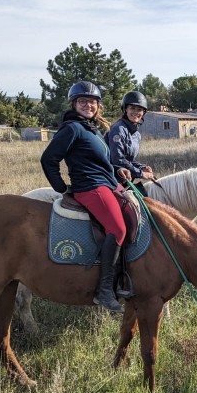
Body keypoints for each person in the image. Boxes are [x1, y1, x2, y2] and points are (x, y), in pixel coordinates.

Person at [40, 81, 130, 313]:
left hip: (108, 184)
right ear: (74, 104)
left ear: (98, 106)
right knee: (118, 229)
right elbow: (48, 159)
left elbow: (99, 162)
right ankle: (104, 290)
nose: (88, 105)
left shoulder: (92, 129)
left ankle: (126, 275)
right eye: (83, 101)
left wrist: (117, 170)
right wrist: (61, 187)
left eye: (92, 102)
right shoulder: (72, 128)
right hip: (91, 187)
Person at [105, 90, 155, 194]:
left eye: (139, 109)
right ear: (125, 109)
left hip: (124, 179)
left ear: (143, 113)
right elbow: (117, 160)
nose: (136, 112)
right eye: (132, 108)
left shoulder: (136, 135)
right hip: (110, 178)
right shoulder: (118, 129)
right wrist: (141, 173)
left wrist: (141, 167)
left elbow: (127, 160)